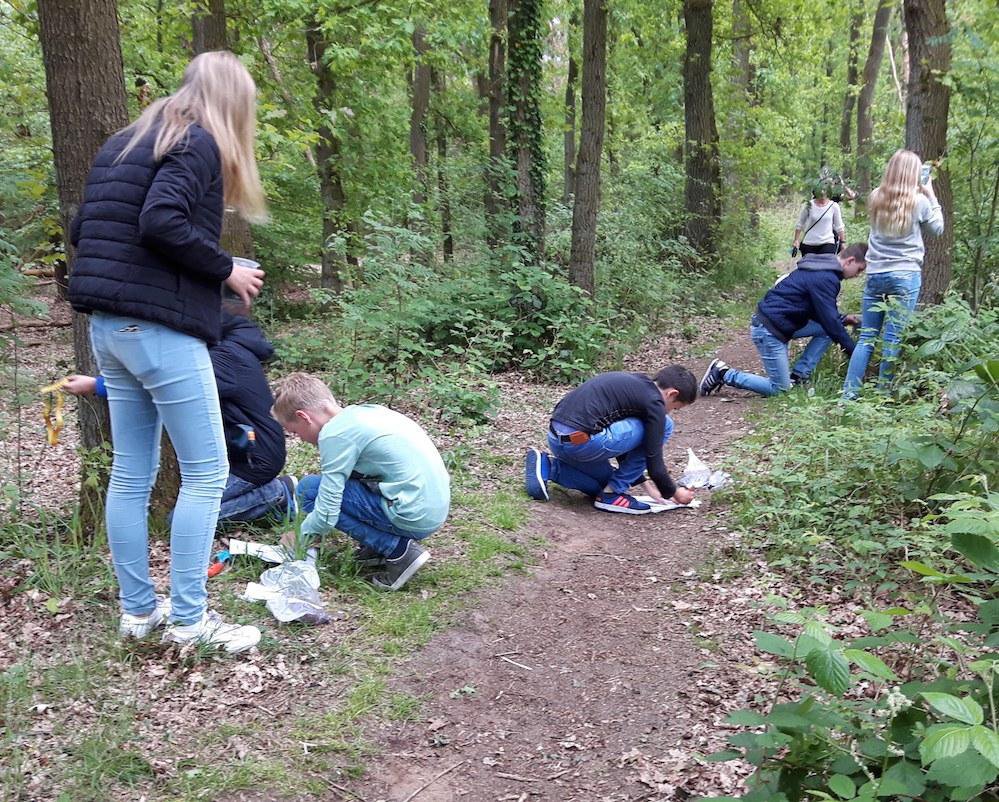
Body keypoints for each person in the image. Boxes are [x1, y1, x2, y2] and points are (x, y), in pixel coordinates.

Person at [68, 51, 268, 653]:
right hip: (159, 333)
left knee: (132, 473)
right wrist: (225, 268)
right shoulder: (198, 140)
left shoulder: (127, 142)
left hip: (108, 329)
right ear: (232, 102)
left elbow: (85, 230)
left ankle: (138, 613)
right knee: (206, 474)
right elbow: (160, 221)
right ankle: (189, 620)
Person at [61, 312, 296, 525]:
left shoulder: (226, 359)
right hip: (243, 450)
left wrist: (96, 384)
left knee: (180, 522)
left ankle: (277, 493)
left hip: (254, 458)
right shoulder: (231, 348)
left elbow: (166, 387)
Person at [271, 373, 451, 591]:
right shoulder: (364, 413)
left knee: (309, 490)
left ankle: (399, 551)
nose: (300, 439)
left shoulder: (335, 434)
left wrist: (300, 537)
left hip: (413, 514)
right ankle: (377, 549)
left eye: (295, 432)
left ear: (304, 417)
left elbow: (327, 512)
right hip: (432, 509)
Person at [700, 243, 868, 398]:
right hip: (769, 330)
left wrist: (843, 319)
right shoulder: (826, 277)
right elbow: (831, 324)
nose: (858, 275)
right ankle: (723, 373)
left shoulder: (821, 266)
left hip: (780, 323)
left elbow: (820, 313)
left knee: (827, 329)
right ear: (850, 261)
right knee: (780, 390)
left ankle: (799, 376)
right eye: (859, 270)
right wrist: (856, 354)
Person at [524, 366, 698, 515]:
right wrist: (674, 492)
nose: (670, 411)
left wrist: (646, 487)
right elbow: (654, 461)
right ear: (672, 394)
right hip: (584, 443)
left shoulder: (636, 385)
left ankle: (548, 467)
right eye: (675, 407)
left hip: (557, 438)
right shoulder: (655, 404)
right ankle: (612, 494)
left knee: (603, 485)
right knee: (666, 425)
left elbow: (629, 447)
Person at [842, 149, 944, 398]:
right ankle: (882, 394)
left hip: (876, 273)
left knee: (867, 337)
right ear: (913, 174)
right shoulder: (919, 202)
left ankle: (848, 395)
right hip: (905, 275)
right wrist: (930, 193)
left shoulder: (876, 197)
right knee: (893, 337)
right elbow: (938, 229)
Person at [792, 182, 847, 257]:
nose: (822, 192)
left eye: (824, 190)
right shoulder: (809, 205)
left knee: (826, 267)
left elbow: (839, 226)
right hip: (809, 243)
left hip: (827, 242)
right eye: (820, 190)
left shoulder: (834, 206)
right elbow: (800, 224)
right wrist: (796, 240)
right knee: (809, 267)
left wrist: (843, 243)